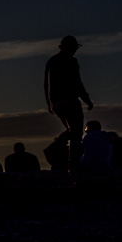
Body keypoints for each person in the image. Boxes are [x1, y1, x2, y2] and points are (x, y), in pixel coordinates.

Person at [44, 35, 93, 173]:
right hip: (70, 102)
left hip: (57, 104)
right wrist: (87, 100)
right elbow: (77, 82)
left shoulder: (52, 61)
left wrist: (50, 103)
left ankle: (67, 160)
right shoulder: (71, 61)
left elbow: (46, 84)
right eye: (75, 47)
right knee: (75, 134)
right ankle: (73, 167)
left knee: (73, 133)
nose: (75, 50)